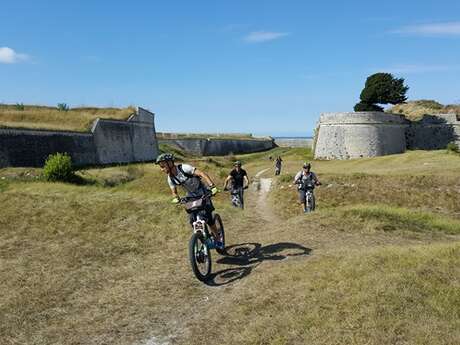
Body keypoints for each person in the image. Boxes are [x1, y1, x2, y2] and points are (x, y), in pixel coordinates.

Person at [155, 153, 223, 247]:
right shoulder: (170, 178)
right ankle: (203, 237)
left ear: (170, 163)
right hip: (190, 196)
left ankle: (217, 238)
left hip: (202, 192)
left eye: (163, 166)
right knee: (192, 219)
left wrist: (212, 186)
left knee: (209, 218)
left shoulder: (184, 168)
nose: (161, 169)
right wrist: (176, 198)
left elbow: (202, 174)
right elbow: (174, 191)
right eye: (160, 167)